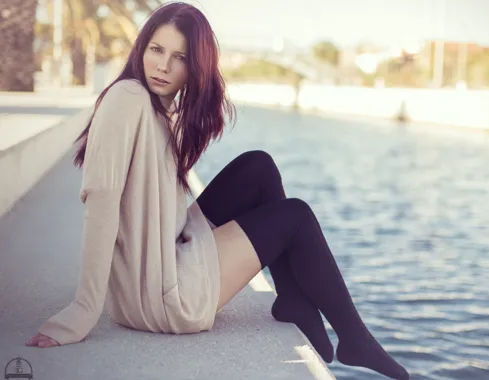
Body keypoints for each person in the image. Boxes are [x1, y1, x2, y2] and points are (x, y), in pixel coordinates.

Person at [25, 2, 409, 379]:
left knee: (258, 167)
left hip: (163, 257)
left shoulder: (163, 109)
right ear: (142, 47)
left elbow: (161, 207)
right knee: (295, 217)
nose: (163, 65)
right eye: (157, 50)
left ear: (195, 68)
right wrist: (83, 309)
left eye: (180, 58)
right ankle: (354, 338)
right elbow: (102, 202)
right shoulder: (128, 98)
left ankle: (293, 299)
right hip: (163, 297)